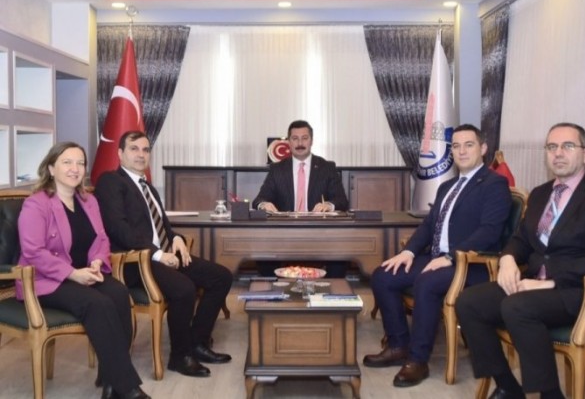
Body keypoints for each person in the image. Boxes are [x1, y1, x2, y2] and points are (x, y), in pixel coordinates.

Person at [455, 123, 585, 399]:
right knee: (469, 302)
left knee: (517, 306)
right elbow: (521, 239)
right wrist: (508, 260)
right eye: (552, 147)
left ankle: (551, 395)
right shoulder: (540, 194)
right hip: (536, 285)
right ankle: (507, 386)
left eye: (567, 146)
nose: (558, 153)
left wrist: (550, 282)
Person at [363, 124, 512, 387]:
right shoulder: (447, 186)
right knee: (383, 275)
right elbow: (429, 226)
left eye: (469, 145)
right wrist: (408, 252)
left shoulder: (494, 184)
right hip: (437, 259)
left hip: (471, 264)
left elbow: (489, 232)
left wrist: (452, 256)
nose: (462, 151)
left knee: (427, 282)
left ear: (483, 149)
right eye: (456, 146)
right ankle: (398, 346)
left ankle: (418, 360)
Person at [94, 131, 233, 378]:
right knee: (184, 288)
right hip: (134, 261)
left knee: (221, 276)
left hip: (161, 256)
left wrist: (176, 238)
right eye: (134, 149)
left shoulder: (147, 187)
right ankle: (179, 357)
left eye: (145, 150)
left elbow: (161, 226)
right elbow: (118, 229)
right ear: (120, 153)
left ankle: (198, 343)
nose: (141, 155)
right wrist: (158, 254)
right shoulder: (111, 182)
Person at [17, 142, 149, 399]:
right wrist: (72, 273)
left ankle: (111, 382)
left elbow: (101, 239)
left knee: (120, 294)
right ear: (51, 168)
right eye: (67, 162)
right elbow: (34, 252)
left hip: (85, 272)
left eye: (80, 163)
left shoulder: (89, 201)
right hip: (47, 280)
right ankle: (126, 387)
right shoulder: (36, 204)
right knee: (98, 304)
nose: (75, 169)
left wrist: (97, 261)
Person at [252, 119, 350, 278]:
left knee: (341, 252)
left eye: (304, 138)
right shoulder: (277, 169)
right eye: (295, 138)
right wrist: (264, 204)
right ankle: (273, 288)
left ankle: (331, 290)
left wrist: (329, 205)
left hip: (319, 231)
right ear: (289, 142)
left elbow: (342, 201)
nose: (300, 143)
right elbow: (259, 200)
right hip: (284, 232)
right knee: (262, 250)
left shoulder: (327, 167)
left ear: (311, 140)